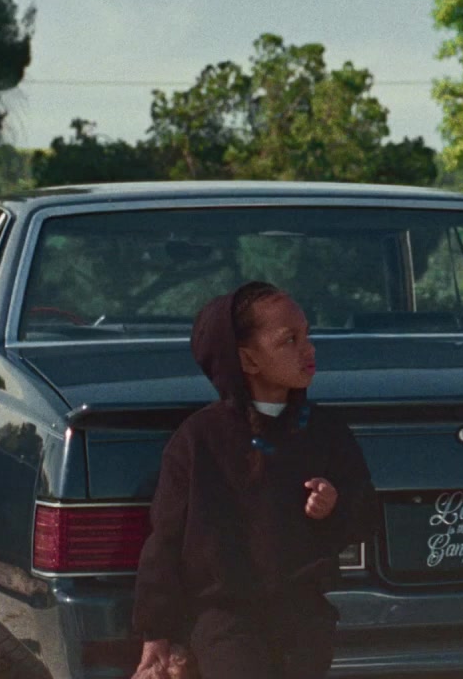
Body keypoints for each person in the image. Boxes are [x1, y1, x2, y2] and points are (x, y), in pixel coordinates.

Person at [132, 281, 376, 679]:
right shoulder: (199, 439)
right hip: (226, 621)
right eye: (289, 340)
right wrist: (156, 632)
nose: (308, 349)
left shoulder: (326, 430)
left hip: (304, 618)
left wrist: (335, 504)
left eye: (307, 336)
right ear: (247, 359)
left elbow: (364, 514)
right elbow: (166, 540)